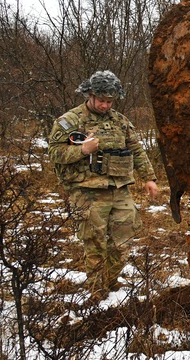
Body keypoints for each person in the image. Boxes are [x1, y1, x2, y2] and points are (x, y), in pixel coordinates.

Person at [47, 71, 160, 294]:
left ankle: (109, 280)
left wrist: (149, 177)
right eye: (101, 100)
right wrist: (82, 150)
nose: (105, 105)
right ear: (90, 95)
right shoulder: (71, 120)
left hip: (119, 189)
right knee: (95, 243)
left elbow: (136, 148)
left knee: (124, 240)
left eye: (109, 101)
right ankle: (97, 290)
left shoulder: (119, 121)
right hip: (87, 190)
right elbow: (54, 153)